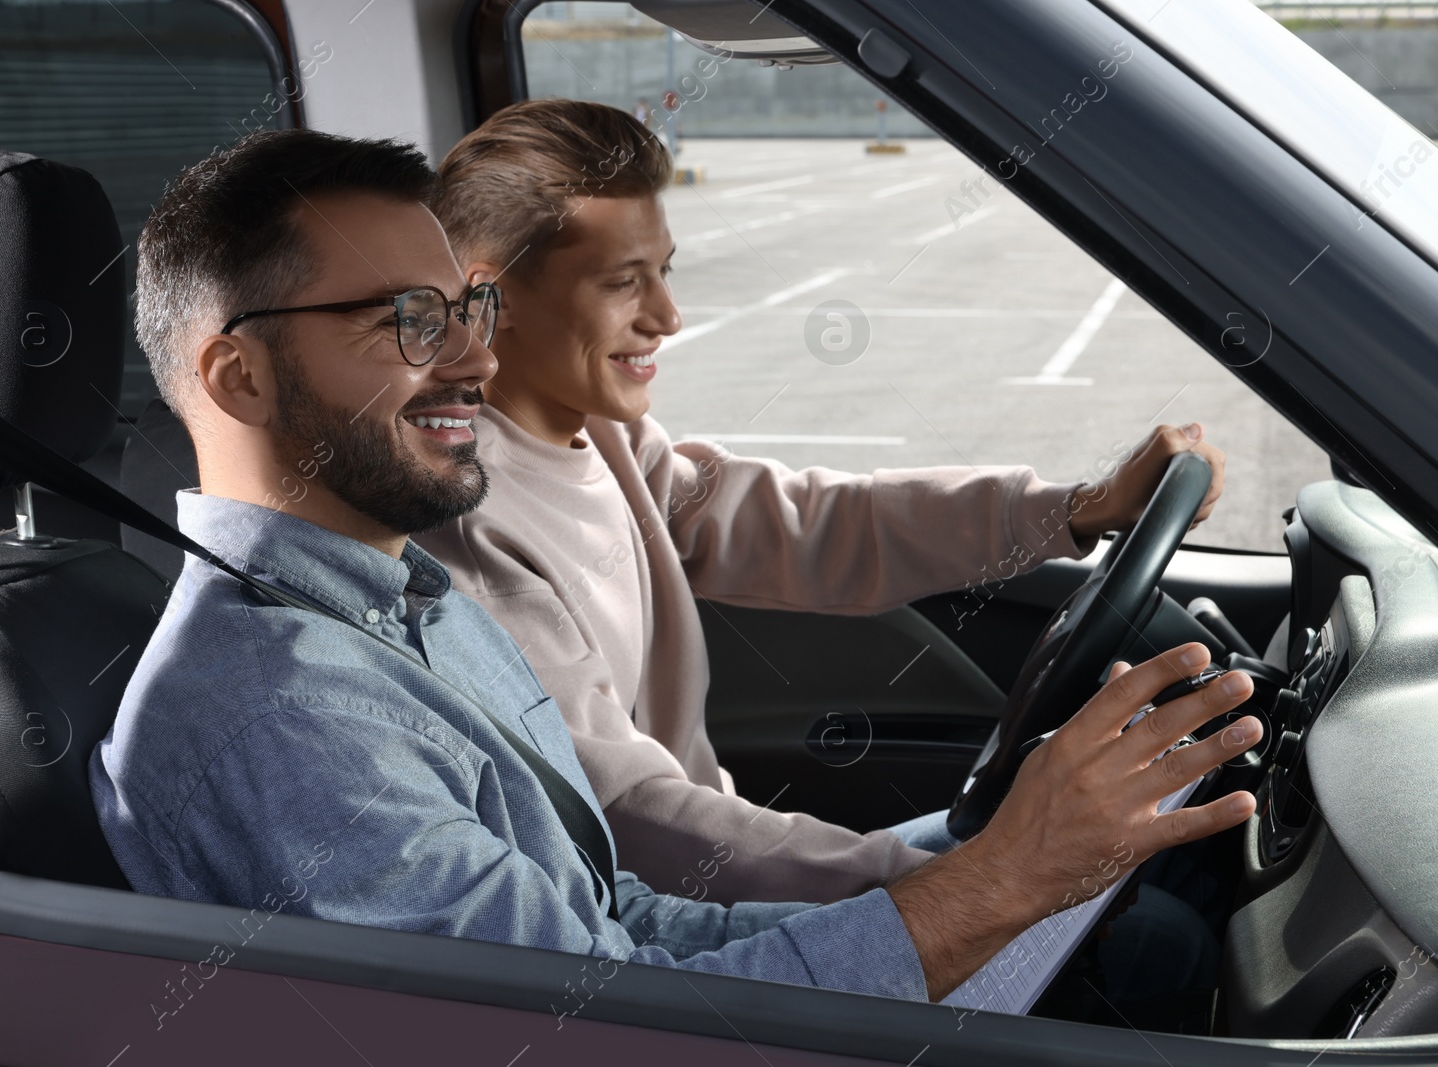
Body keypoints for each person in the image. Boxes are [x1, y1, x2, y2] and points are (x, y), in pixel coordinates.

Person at [89, 128, 1261, 1005]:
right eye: (408, 318)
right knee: (1165, 952)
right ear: (238, 376)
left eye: (467, 309)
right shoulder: (280, 716)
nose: (470, 357)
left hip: (672, 993)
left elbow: (605, 913)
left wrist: (971, 878)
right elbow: (591, 1024)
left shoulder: (399, 602)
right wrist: (994, 883)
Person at [418, 98, 1230, 904]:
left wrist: (1074, 508)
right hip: (664, 921)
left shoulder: (608, 436)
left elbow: (817, 524)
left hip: (722, 871)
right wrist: (954, 886)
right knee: (1155, 945)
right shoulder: (471, 524)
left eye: (663, 271)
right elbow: (626, 812)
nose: (668, 316)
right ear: (495, 299)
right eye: (623, 283)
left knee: (1152, 872)